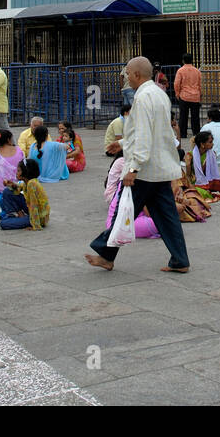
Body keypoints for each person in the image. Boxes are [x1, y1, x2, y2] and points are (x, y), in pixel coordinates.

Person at [86, 56, 190, 274]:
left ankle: (106, 255)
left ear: (136, 74)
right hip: (159, 169)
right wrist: (123, 143)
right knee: (167, 217)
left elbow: (144, 136)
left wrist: (133, 168)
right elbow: (155, 132)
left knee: (123, 213)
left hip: (144, 171)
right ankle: (180, 259)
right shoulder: (160, 94)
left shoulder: (143, 98)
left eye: (127, 73)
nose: (125, 77)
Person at [0, 157, 51, 230]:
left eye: (18, 171)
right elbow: (18, 187)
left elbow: (34, 205)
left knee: (4, 224)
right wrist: (11, 184)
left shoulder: (32, 184)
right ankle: (15, 216)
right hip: (31, 211)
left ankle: (22, 219)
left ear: (25, 172)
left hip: (39, 217)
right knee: (7, 192)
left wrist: (35, 225)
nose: (16, 173)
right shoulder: (27, 182)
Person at [187, 130, 220, 196]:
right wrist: (189, 188)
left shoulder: (212, 154)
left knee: (205, 193)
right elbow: (188, 176)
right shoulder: (189, 156)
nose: (212, 144)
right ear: (202, 144)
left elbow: (214, 173)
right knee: (201, 193)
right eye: (210, 142)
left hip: (207, 184)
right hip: (194, 183)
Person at [174, 54, 202, 138]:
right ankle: (196, 133)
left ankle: (183, 133)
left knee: (183, 116)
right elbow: (200, 84)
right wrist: (199, 94)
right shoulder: (197, 71)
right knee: (195, 117)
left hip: (184, 95)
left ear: (183, 60)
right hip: (195, 96)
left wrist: (177, 94)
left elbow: (176, 83)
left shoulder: (180, 70)